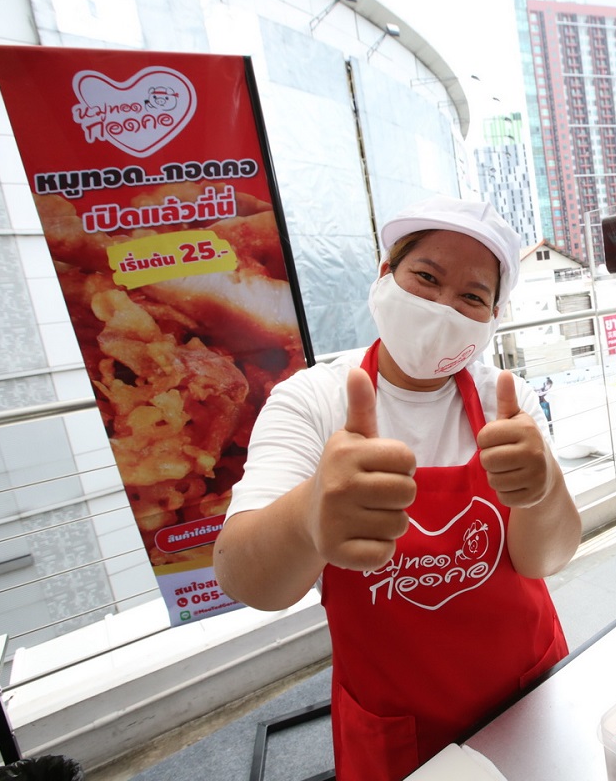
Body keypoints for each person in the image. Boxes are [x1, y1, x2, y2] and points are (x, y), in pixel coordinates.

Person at [214, 194, 581, 781]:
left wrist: (544, 488)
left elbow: (546, 558)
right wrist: (310, 513)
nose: (441, 307)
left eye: (471, 296)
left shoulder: (505, 403)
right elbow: (245, 578)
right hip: (397, 724)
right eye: (426, 277)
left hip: (525, 693)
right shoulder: (312, 401)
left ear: (492, 317)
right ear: (385, 273)